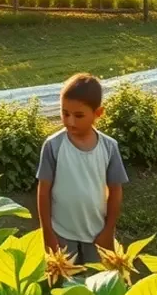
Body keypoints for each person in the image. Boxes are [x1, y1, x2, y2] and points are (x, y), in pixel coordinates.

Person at [36, 73, 129, 264]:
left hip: (97, 232)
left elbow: (115, 191)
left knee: (99, 282)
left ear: (98, 113)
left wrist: (108, 230)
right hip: (61, 232)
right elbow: (43, 191)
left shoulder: (109, 147)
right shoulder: (53, 146)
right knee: (65, 284)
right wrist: (47, 233)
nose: (70, 121)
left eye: (79, 116)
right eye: (65, 113)